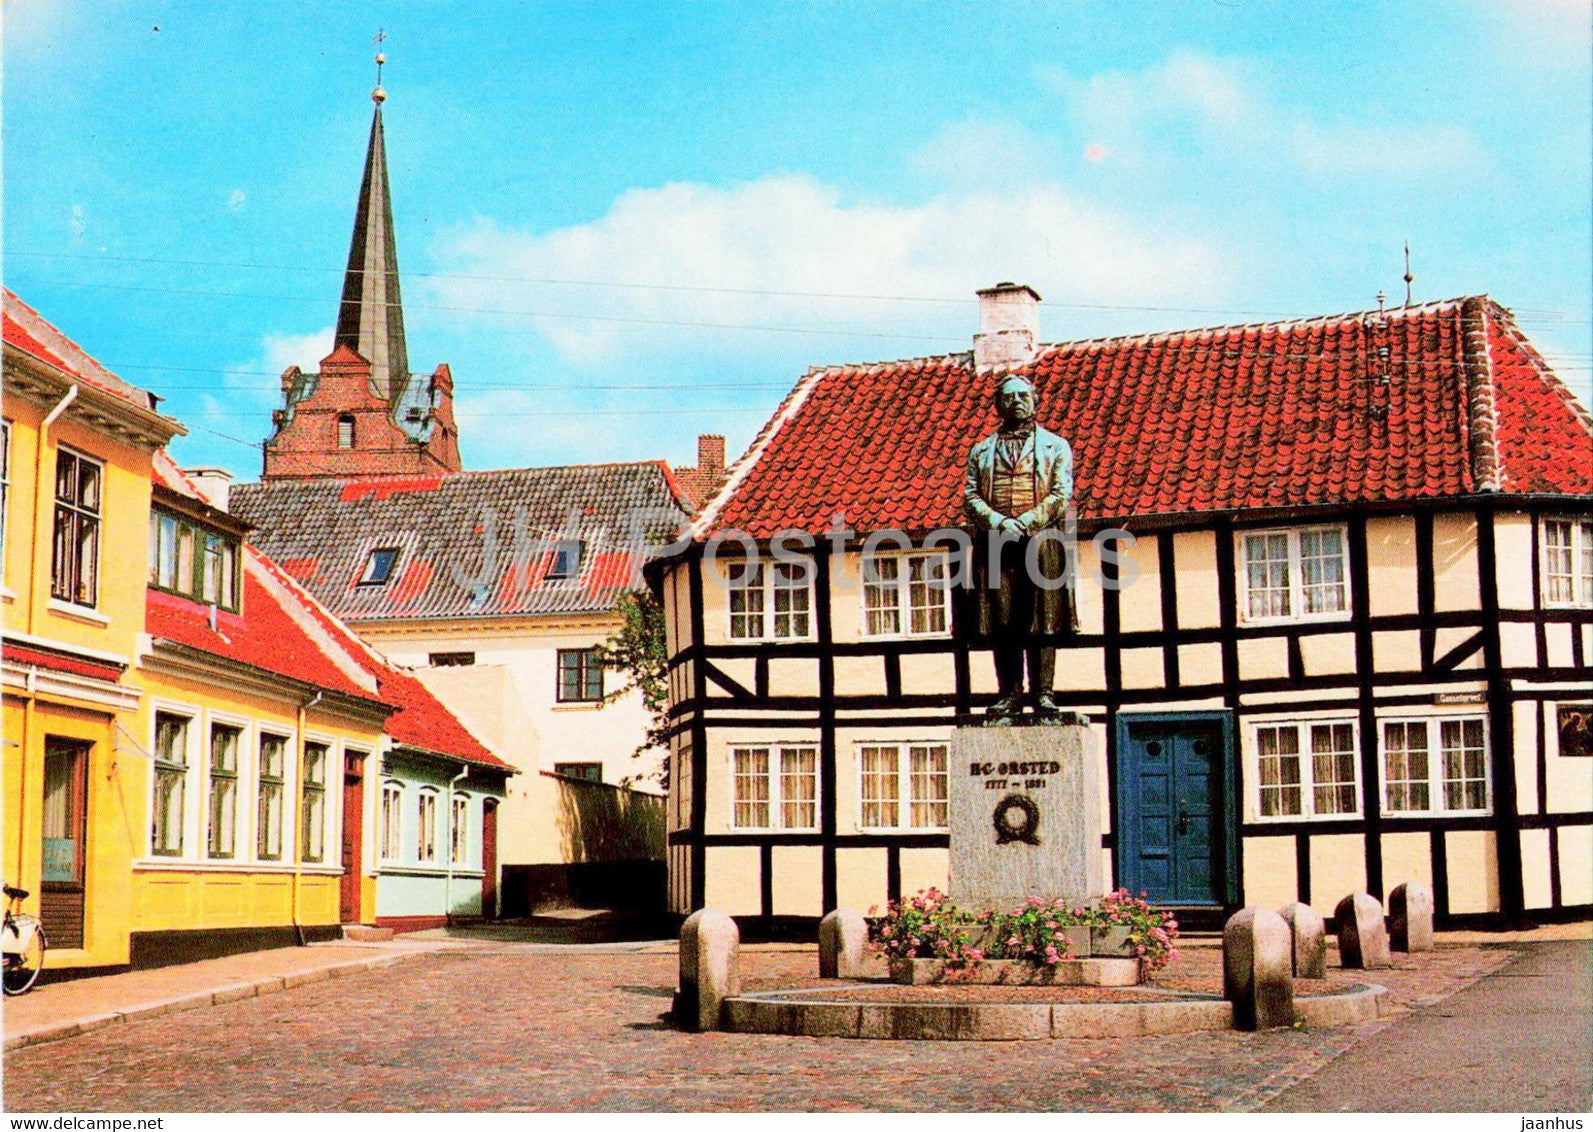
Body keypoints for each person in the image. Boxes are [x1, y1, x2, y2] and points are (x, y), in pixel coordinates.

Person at [963, 375, 1079, 723]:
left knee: (1042, 619)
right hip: (996, 542)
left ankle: (1044, 694)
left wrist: (1026, 521)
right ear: (998, 404)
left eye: (1023, 396)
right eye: (1009, 397)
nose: (1016, 402)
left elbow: (1061, 493)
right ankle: (1009, 694)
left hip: (1041, 541)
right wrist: (1000, 522)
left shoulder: (1056, 446)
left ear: (1035, 401)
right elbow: (970, 495)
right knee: (1003, 620)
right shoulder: (981, 450)